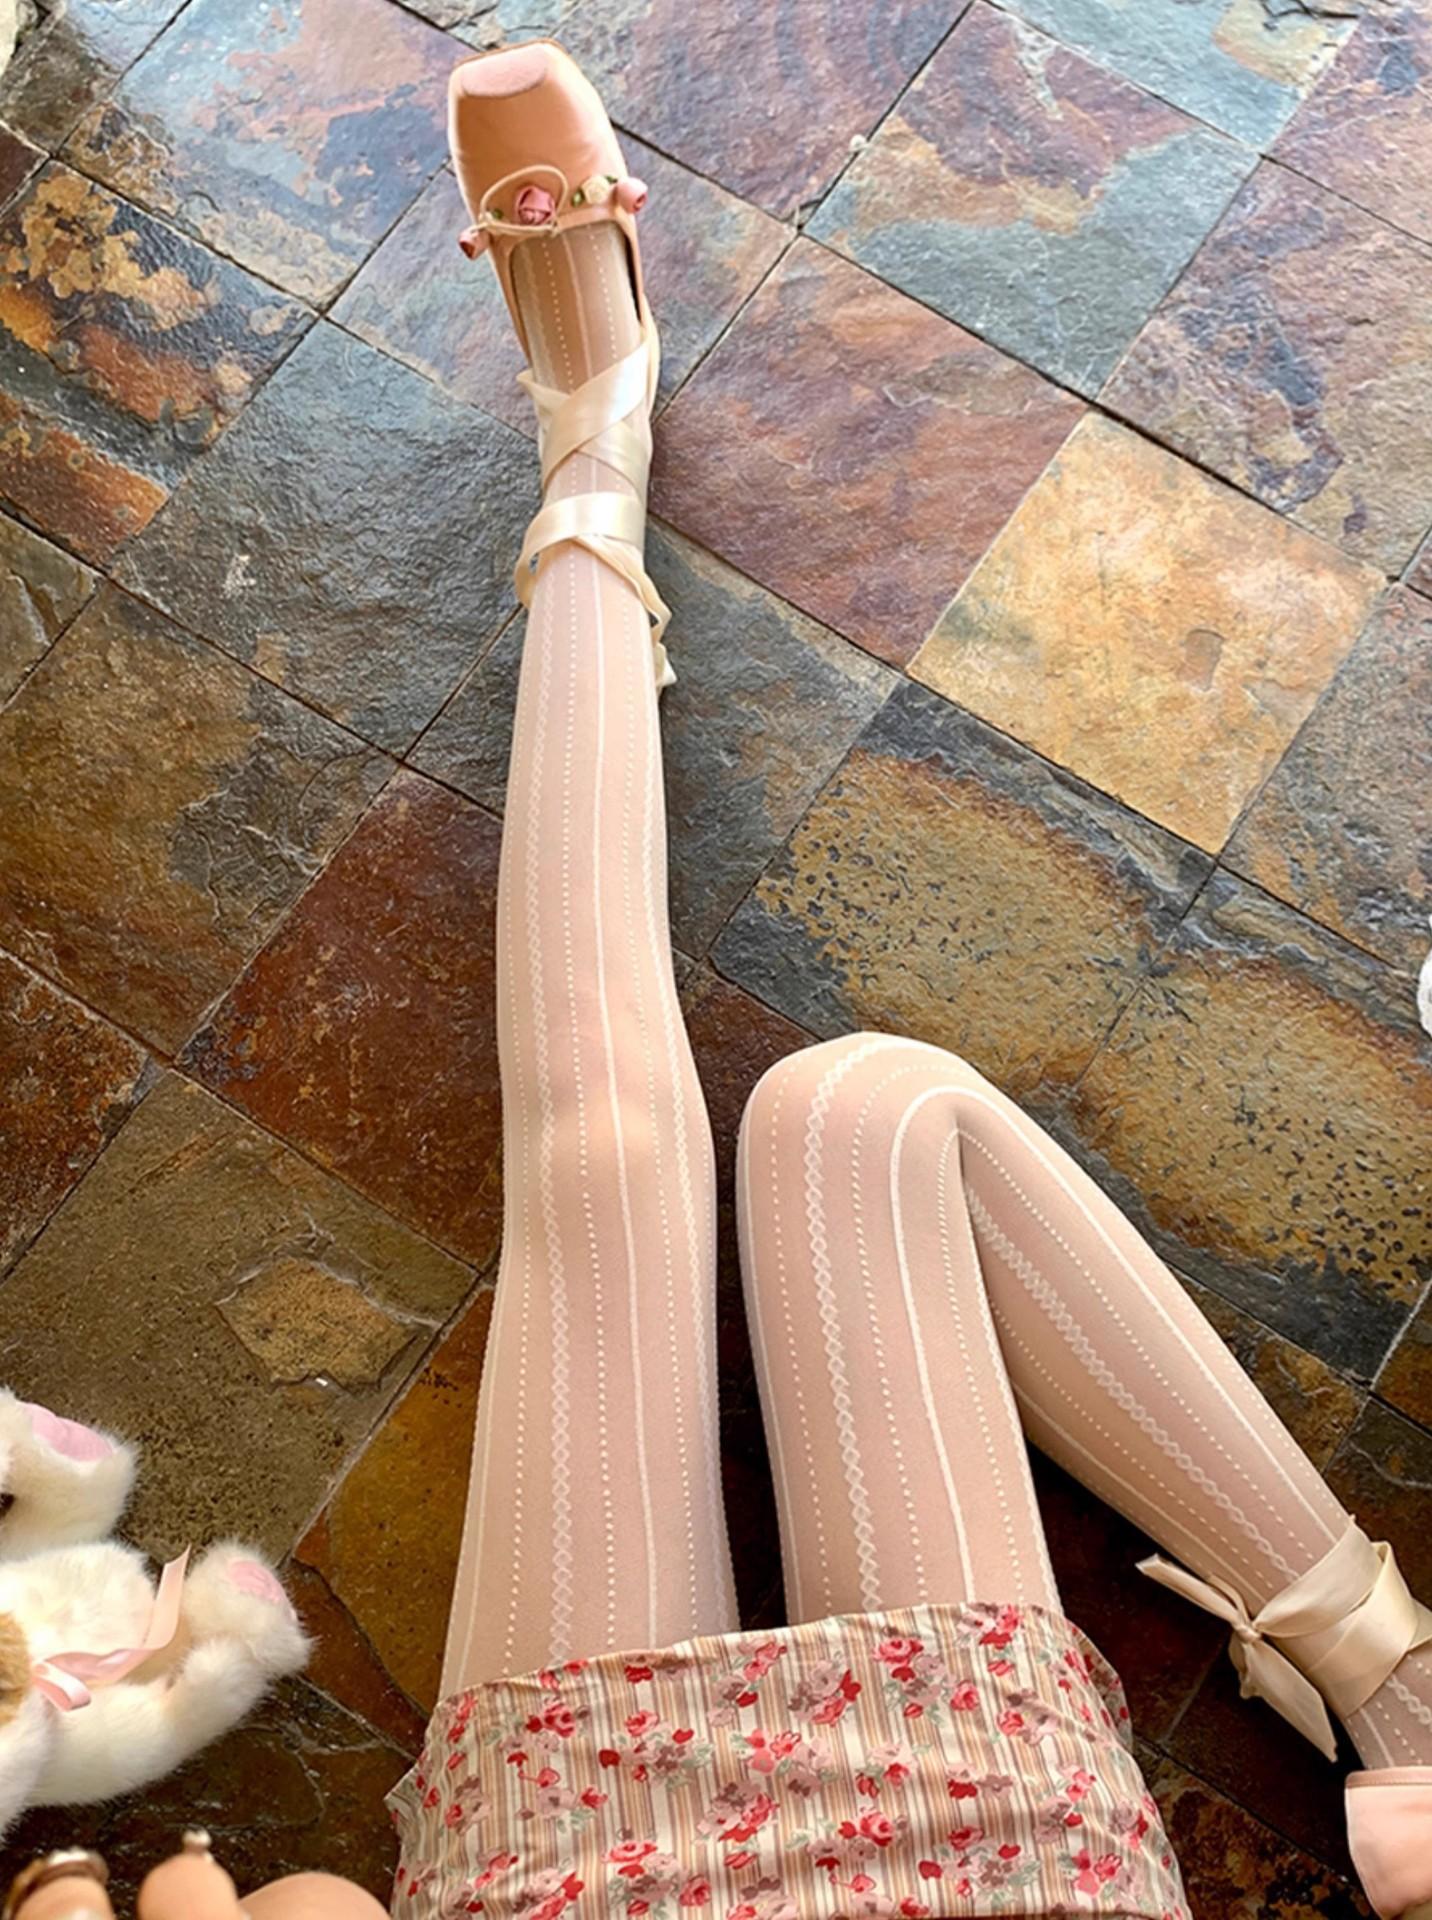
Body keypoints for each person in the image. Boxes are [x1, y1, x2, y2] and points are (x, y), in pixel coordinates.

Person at [6, 39, 1428, 1920]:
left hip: (573, 1879)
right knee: (859, 1109)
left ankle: (593, 450)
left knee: (603, 1162)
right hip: (991, 1871)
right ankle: (1398, 1688)